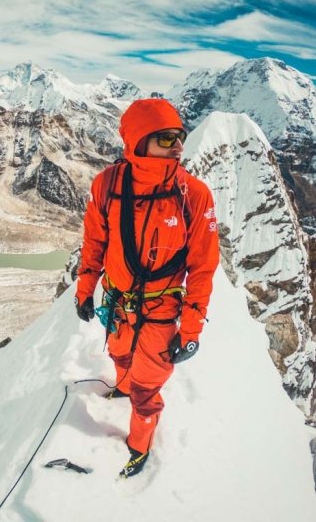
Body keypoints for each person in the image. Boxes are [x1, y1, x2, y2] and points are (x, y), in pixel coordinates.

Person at [75, 98, 219, 478]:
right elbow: (95, 242)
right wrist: (85, 288)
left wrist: (190, 330)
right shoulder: (107, 184)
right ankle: (121, 387)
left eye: (180, 137)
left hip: (161, 310)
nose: (177, 146)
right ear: (139, 141)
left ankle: (138, 446)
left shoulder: (194, 194)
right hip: (119, 302)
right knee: (121, 354)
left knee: (147, 385)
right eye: (166, 137)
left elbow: (203, 267)